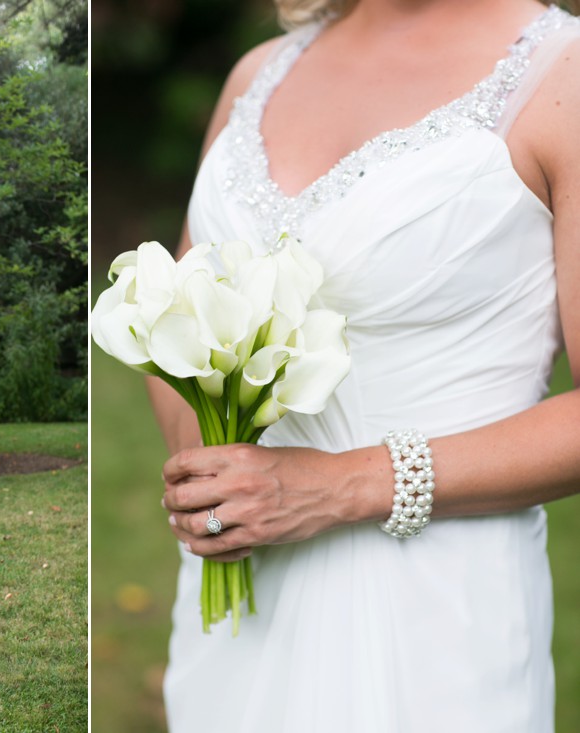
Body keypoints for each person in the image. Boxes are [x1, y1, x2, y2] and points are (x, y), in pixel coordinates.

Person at [146, 0, 580, 730]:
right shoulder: (257, 73)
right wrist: (212, 474)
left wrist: (346, 484)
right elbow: (174, 312)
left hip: (432, 624)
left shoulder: (562, 78)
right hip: (236, 604)